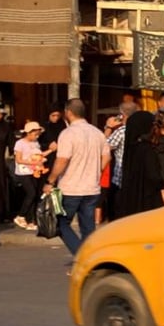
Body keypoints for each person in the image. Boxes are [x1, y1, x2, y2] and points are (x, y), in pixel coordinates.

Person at [44, 99, 111, 257]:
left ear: (68, 112)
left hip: (71, 187)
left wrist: (50, 181)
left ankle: (82, 256)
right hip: (92, 187)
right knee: (88, 227)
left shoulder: (68, 134)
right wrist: (95, 171)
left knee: (60, 223)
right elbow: (107, 157)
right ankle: (90, 258)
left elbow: (62, 160)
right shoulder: (97, 133)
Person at [12, 121, 54, 230]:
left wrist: (51, 150)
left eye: (38, 134)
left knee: (35, 195)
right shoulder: (20, 143)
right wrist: (34, 163)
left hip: (34, 172)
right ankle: (21, 215)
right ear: (28, 133)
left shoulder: (35, 143)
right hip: (23, 172)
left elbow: (39, 155)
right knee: (31, 193)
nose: (37, 136)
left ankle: (31, 221)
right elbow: (18, 159)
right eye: (35, 134)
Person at [115, 110, 156, 218]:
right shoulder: (147, 149)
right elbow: (154, 176)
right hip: (147, 203)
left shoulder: (131, 149)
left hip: (130, 204)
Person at [104, 101, 136, 221]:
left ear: (122, 115)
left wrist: (108, 127)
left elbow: (104, 146)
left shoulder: (122, 131)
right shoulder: (144, 129)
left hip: (120, 177)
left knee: (117, 212)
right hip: (136, 177)